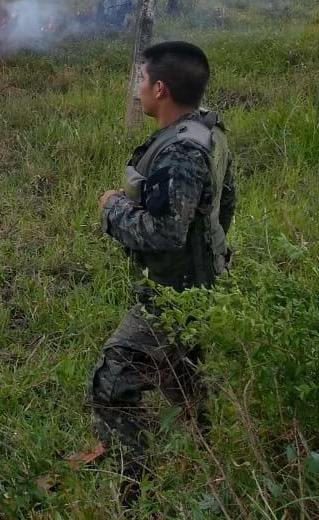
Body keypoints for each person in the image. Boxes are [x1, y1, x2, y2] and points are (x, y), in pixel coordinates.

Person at [85, 40, 237, 487]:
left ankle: (137, 486)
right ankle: (212, 466)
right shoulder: (206, 132)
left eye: (141, 79)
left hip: (177, 294)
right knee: (185, 379)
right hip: (204, 282)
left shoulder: (182, 152)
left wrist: (112, 208)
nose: (137, 88)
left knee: (113, 382)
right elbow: (223, 206)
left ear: (160, 88)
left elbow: (166, 234)